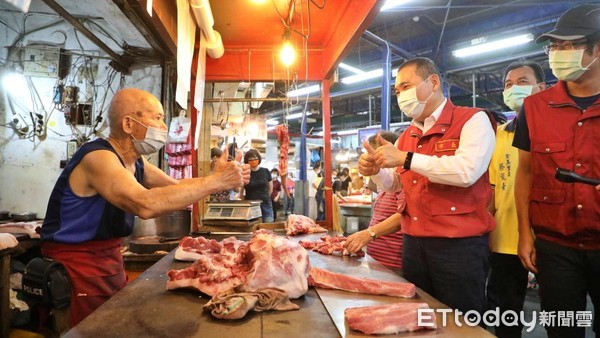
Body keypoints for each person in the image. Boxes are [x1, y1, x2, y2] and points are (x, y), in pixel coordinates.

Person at [40, 88, 250, 328]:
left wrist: (217, 178)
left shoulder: (135, 161)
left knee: (114, 327)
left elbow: (177, 187)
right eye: (157, 118)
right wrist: (215, 182)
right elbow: (145, 203)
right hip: (77, 265)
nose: (163, 127)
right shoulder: (98, 157)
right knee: (90, 331)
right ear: (129, 123)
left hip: (109, 260)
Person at [358, 57, 496, 316]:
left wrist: (407, 158)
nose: (401, 96)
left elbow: (467, 171)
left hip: (458, 246)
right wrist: (377, 172)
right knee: (420, 316)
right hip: (414, 243)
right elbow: (396, 183)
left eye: (406, 86)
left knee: (462, 322)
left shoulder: (473, 120)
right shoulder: (407, 134)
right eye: (397, 91)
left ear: (433, 82)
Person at [513, 5, 600, 337]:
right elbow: (525, 173)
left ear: (597, 48)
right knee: (562, 328)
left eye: (570, 45)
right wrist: (524, 233)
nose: (558, 55)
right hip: (555, 246)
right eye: (554, 47)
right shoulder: (534, 108)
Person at [487, 60, 546, 338]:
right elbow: (492, 188)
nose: (514, 89)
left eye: (523, 82)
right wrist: (485, 230)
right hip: (506, 237)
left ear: (541, 87)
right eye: (508, 85)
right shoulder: (499, 135)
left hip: (554, 237)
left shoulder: (555, 129)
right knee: (505, 311)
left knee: (561, 313)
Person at [345, 131, 405, 275]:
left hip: (394, 261)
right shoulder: (386, 181)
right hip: (377, 259)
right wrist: (373, 171)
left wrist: (369, 233)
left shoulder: (403, 176)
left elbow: (404, 215)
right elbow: (373, 185)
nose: (370, 157)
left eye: (374, 152)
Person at [240, 149, 273, 222]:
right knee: (252, 227)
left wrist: (266, 196)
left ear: (259, 159)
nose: (253, 160)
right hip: (250, 205)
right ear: (247, 161)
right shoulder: (245, 172)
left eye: (255, 158)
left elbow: (270, 188)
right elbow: (241, 192)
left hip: (265, 203)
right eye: (250, 159)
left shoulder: (266, 171)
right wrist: (243, 201)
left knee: (268, 225)